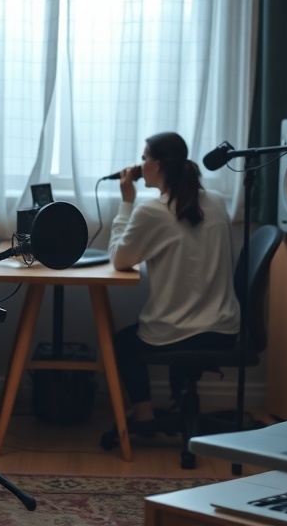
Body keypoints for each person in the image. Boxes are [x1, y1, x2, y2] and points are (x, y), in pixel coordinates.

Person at [106, 131, 240, 434]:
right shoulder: (217, 202)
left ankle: (144, 415)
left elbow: (119, 260)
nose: (140, 164)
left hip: (178, 332)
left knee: (123, 342)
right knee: (163, 323)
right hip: (223, 330)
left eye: (144, 158)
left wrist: (127, 203)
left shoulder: (152, 211)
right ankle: (179, 400)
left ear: (157, 165)